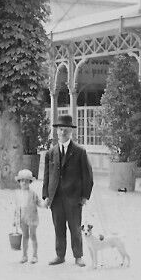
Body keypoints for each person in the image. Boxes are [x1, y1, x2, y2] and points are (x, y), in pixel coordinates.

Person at [41, 114, 94, 266]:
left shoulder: (79, 152)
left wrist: (85, 196)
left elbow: (88, 176)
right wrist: (46, 195)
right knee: (58, 227)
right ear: (56, 131)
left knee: (75, 228)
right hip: (56, 197)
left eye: (66, 130)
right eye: (60, 130)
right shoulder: (51, 153)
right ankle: (60, 255)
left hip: (74, 197)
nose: (62, 133)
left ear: (71, 132)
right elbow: (46, 176)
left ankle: (78, 256)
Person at [12, 168, 41, 263]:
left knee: (33, 235)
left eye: (26, 181)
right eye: (22, 181)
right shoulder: (17, 194)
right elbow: (16, 208)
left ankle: (35, 255)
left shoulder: (33, 194)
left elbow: (38, 203)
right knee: (25, 236)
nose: (24, 183)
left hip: (32, 217)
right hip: (22, 218)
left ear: (30, 182)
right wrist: (15, 220)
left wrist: (46, 204)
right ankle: (24, 255)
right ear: (19, 182)